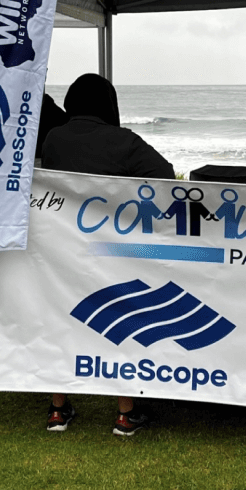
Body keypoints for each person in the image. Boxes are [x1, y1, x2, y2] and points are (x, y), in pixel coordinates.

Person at [42, 73, 174, 436]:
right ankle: (124, 414)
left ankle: (58, 409)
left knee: (62, 323)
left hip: (62, 247)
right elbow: (163, 176)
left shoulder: (54, 138)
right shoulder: (124, 141)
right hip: (110, 250)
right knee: (119, 325)